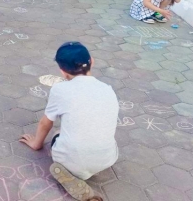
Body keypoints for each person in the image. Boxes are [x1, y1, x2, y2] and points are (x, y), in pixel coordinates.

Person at [19, 42, 118, 201]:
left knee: (58, 133)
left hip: (73, 160)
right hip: (107, 158)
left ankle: (71, 174)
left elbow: (46, 123)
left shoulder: (60, 90)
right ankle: (87, 169)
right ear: (92, 61)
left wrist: (36, 144)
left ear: (63, 72)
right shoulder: (108, 89)